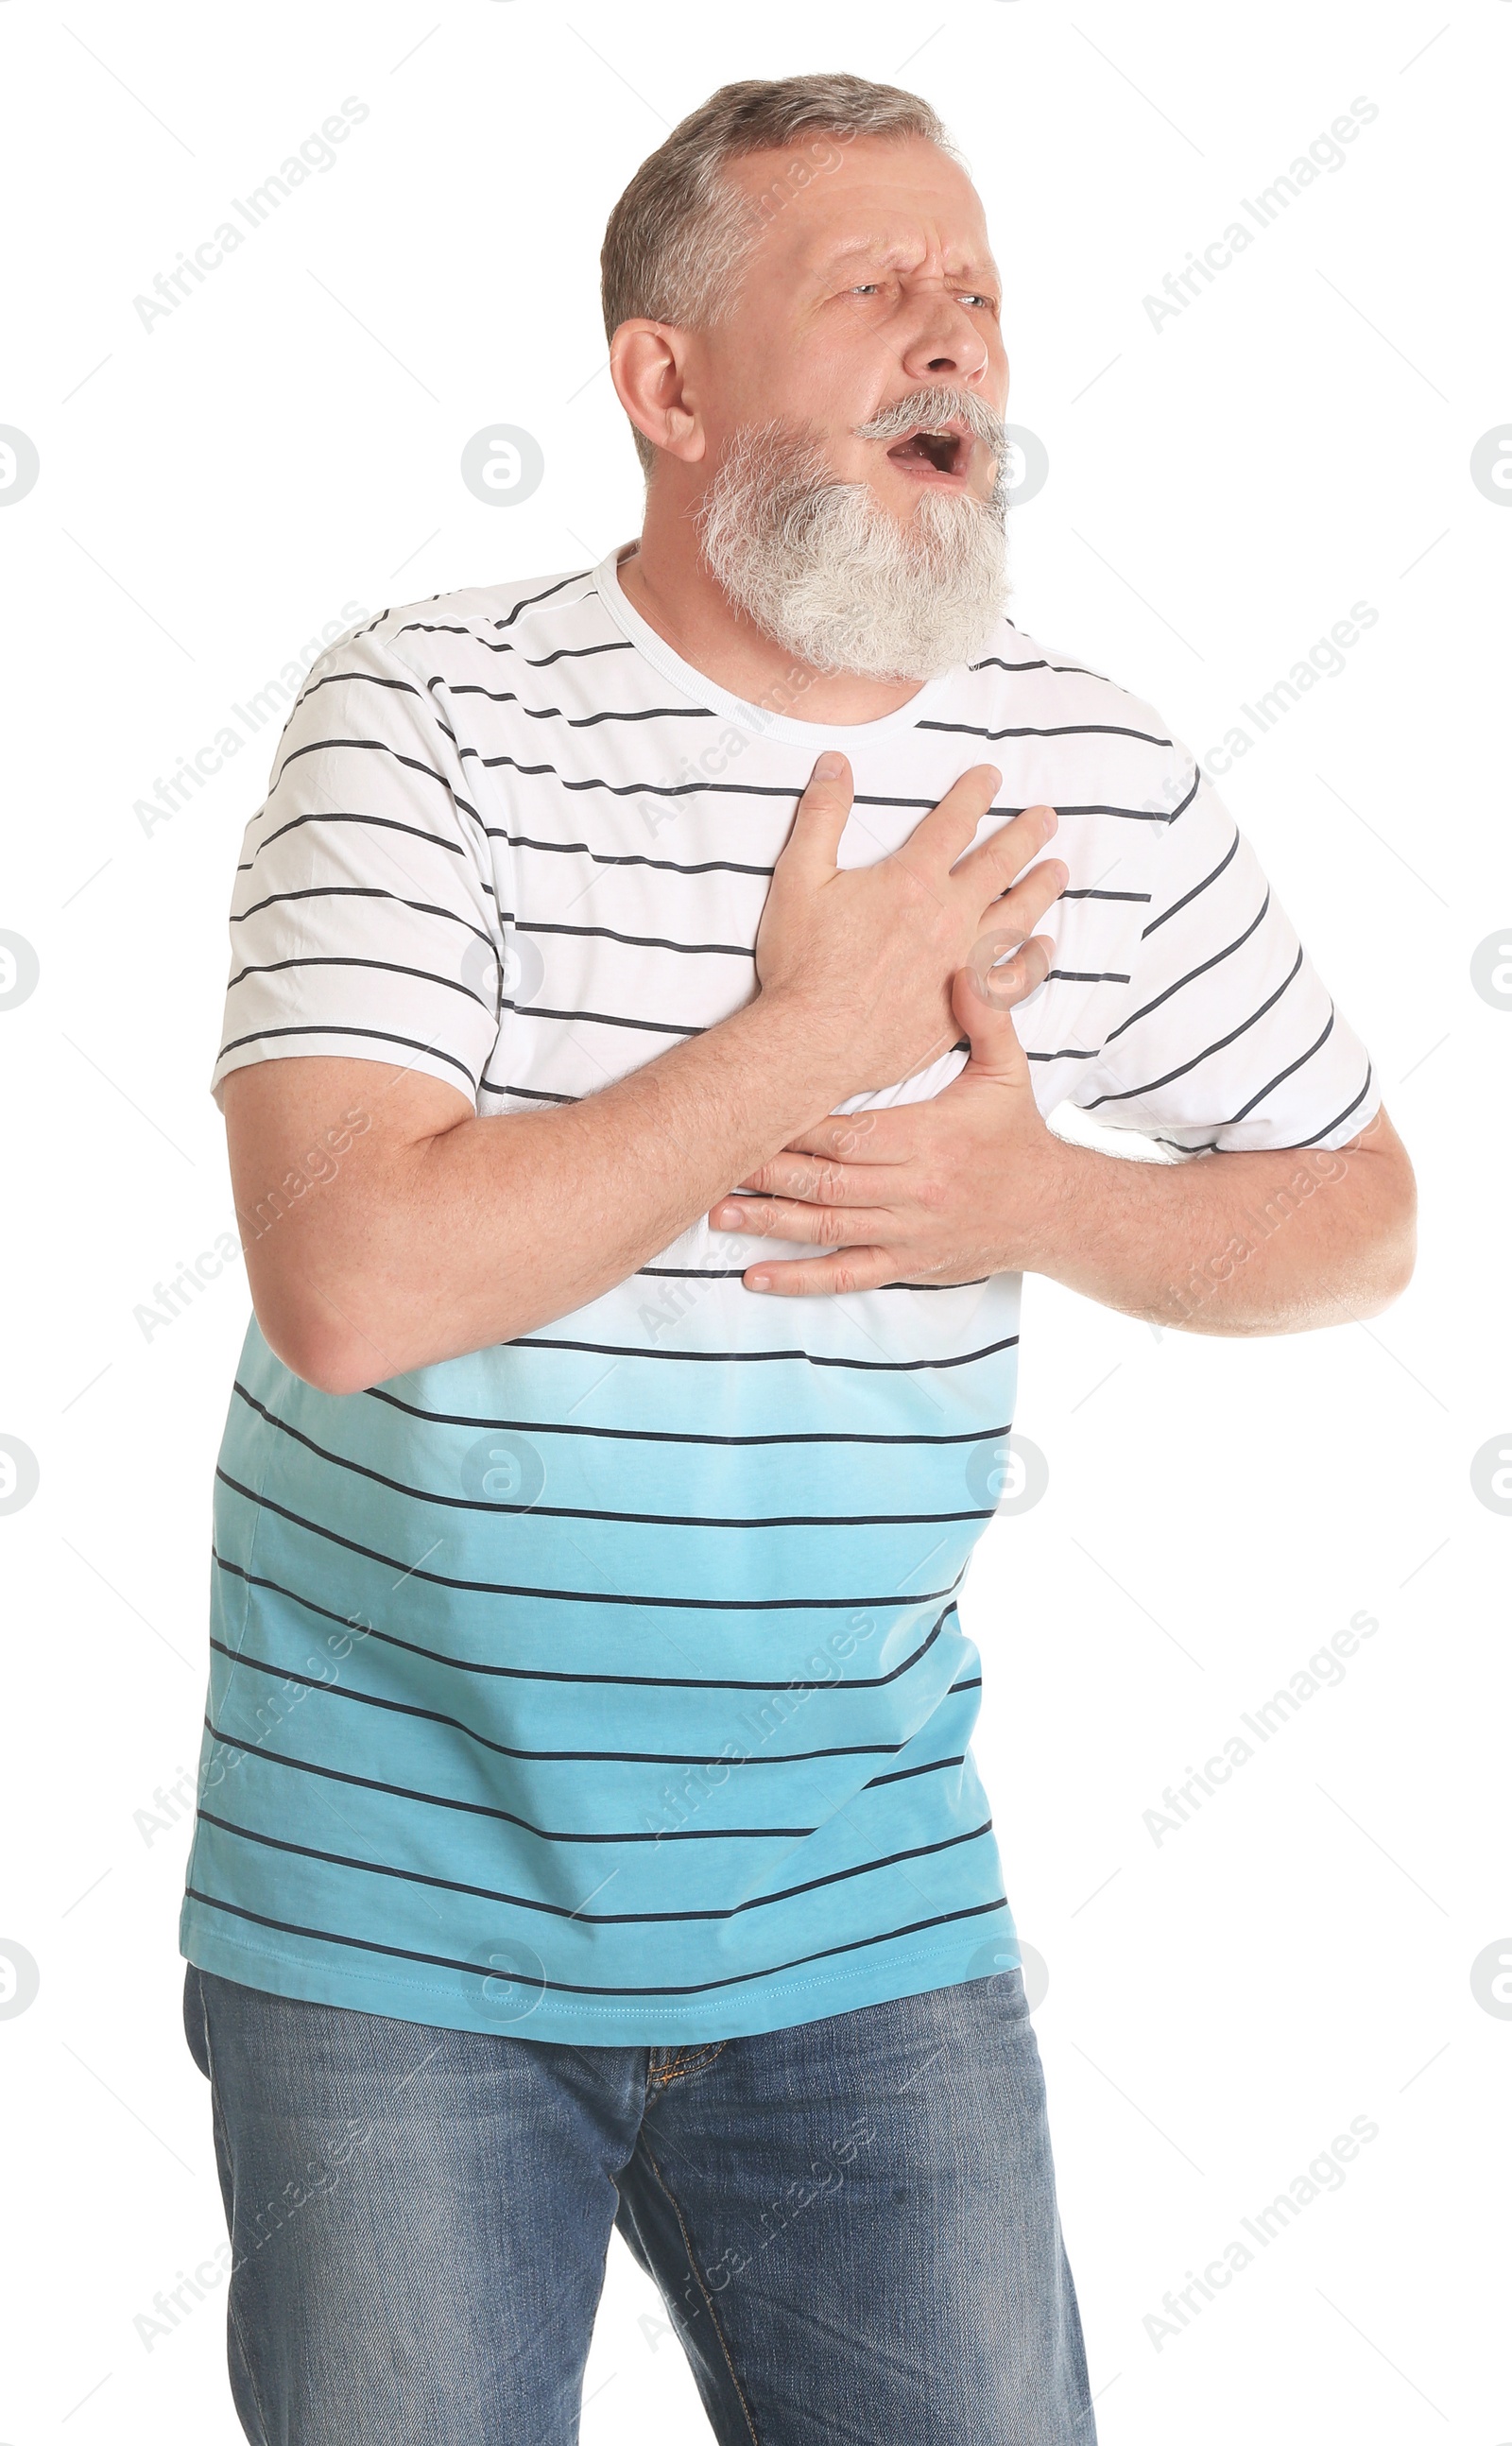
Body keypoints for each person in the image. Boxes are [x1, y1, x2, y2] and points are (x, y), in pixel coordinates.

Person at [179, 71, 1416, 2446]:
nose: (952, 342)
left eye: (974, 298)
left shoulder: (1091, 771)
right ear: (662, 387)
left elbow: (1356, 1223)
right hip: (390, 1924)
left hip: (860, 1922)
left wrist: (1029, 1196)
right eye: (873, 292)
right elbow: (350, 1280)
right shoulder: (425, 715)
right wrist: (815, 1033)